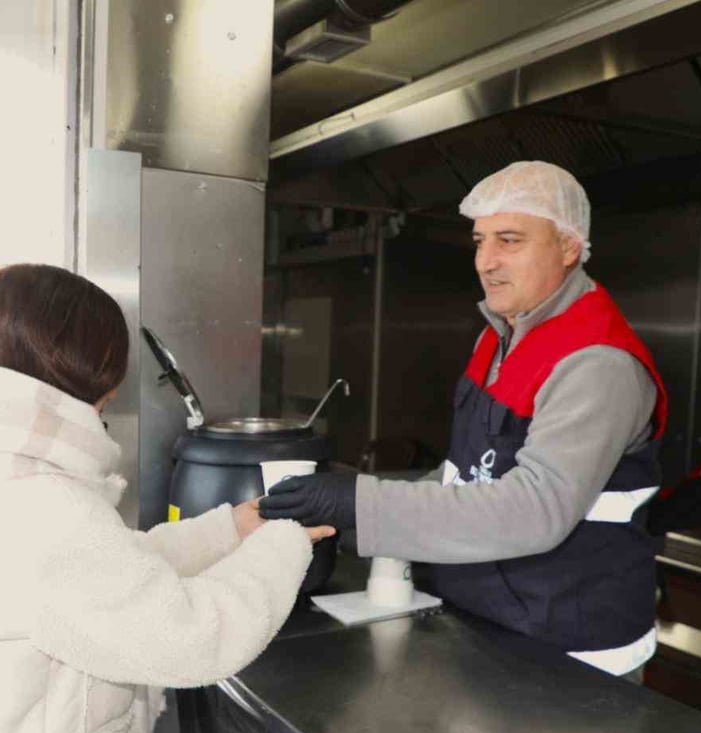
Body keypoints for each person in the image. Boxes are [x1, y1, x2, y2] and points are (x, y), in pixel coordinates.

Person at [0, 264, 333, 733]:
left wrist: (233, 528)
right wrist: (282, 545)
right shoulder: (40, 502)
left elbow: (109, 569)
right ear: (81, 367)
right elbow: (190, 637)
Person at [260, 161, 667, 680]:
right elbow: (467, 476)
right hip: (490, 621)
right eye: (480, 240)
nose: (486, 261)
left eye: (510, 240)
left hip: (571, 648)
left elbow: (534, 509)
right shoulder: (498, 338)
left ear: (568, 247)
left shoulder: (596, 363)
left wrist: (361, 501)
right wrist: (356, 508)